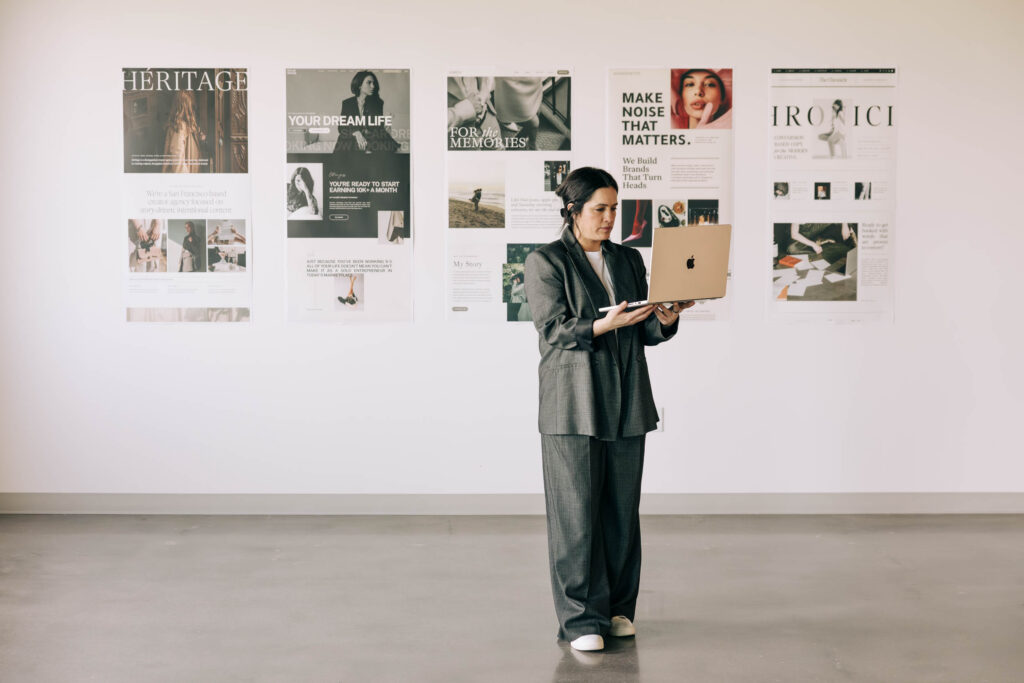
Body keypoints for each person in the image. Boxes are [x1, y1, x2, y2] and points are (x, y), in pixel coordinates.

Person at [524, 167, 695, 653]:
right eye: (599, 209)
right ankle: (581, 620)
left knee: (621, 512)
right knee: (575, 515)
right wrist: (603, 325)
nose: (608, 218)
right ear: (573, 211)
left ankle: (618, 609)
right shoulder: (547, 260)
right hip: (572, 403)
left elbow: (643, 334)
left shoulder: (628, 259)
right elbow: (554, 329)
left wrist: (666, 318)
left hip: (626, 399)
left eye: (614, 208)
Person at [333, 71, 400, 154]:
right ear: (359, 85)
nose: (373, 86)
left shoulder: (377, 103)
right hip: (354, 138)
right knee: (344, 139)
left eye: (373, 83)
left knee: (377, 140)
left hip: (372, 138)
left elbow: (377, 127)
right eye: (369, 83)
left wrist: (386, 123)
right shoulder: (347, 103)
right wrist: (356, 133)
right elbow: (341, 127)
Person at [162, 91, 205, 173]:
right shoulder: (180, 127)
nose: (193, 110)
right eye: (191, 107)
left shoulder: (183, 125)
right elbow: (177, 158)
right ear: (186, 108)